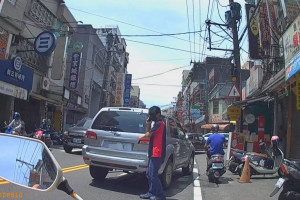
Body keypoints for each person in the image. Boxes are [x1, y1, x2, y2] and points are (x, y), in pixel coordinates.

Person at [138, 106, 166, 200]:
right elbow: (149, 133)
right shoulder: (156, 123)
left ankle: (160, 195)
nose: (151, 117)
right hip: (152, 152)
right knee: (149, 174)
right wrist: (148, 123)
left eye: (152, 115)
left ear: (158, 114)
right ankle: (151, 193)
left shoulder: (160, 123)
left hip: (157, 153)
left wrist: (140, 137)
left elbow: (148, 135)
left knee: (153, 175)